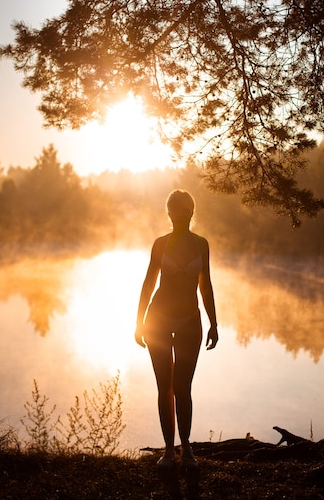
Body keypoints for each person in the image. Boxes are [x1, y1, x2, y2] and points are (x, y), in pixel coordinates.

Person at [135, 189, 218, 468]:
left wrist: (214, 323)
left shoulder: (201, 245)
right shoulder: (160, 244)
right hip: (157, 321)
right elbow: (148, 283)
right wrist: (138, 322)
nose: (178, 214)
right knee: (164, 388)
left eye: (184, 210)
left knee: (183, 387)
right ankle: (169, 452)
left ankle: (187, 450)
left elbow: (205, 286)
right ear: (168, 212)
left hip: (189, 322)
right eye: (173, 209)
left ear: (191, 212)